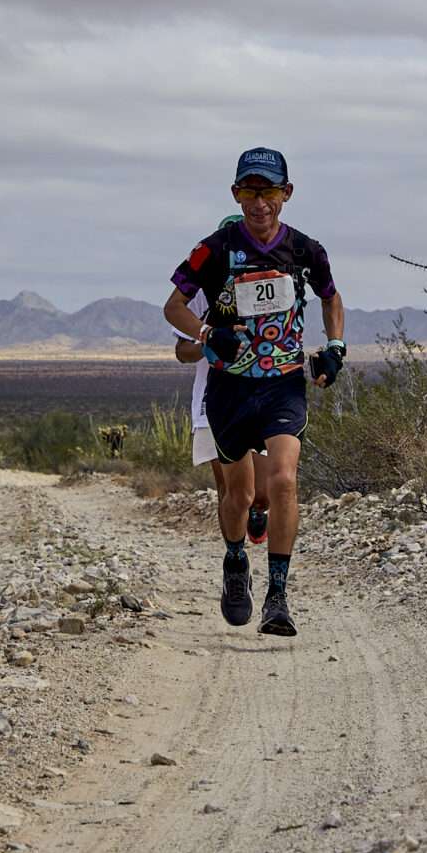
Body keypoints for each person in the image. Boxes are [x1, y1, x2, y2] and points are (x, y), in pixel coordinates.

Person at [163, 147, 344, 636]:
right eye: (249, 191)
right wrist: (208, 335)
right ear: (235, 194)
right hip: (229, 388)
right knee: (237, 494)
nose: (259, 201)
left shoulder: (306, 250)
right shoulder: (213, 249)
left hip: (283, 383)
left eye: (268, 191)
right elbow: (173, 306)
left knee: (282, 482)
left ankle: (278, 598)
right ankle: (236, 560)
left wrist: (335, 348)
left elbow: (331, 298)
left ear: (287, 193)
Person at [172, 217, 272, 559]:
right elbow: (182, 351)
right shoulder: (200, 293)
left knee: (260, 493)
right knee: (229, 490)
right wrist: (210, 341)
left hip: (260, 395)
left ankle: (258, 511)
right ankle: (235, 559)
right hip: (212, 399)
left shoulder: (267, 289)